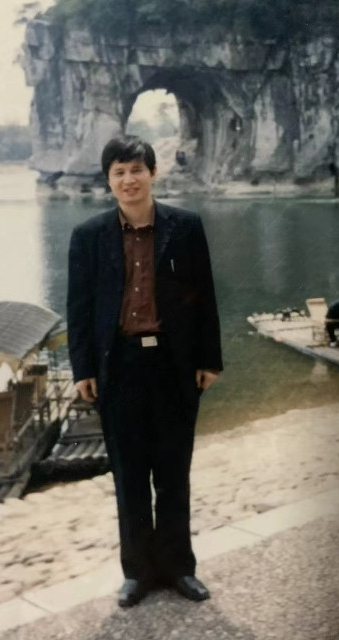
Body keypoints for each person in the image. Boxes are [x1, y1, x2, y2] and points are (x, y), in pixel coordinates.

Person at [67, 135, 223, 608]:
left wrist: (209, 359)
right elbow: (79, 308)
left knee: (173, 472)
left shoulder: (185, 226)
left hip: (173, 365)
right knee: (129, 475)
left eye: (137, 169)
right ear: (108, 180)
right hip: (119, 366)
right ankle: (137, 572)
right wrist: (83, 368)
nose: (129, 180)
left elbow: (204, 296)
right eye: (119, 172)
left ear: (153, 173)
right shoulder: (89, 236)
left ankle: (179, 568)